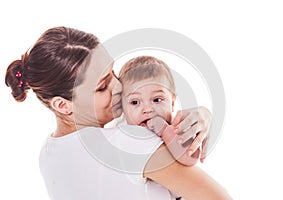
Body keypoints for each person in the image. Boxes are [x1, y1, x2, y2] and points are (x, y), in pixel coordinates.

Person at [5, 26, 231, 199]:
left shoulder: (48, 154)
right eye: (102, 86)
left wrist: (201, 113)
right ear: (63, 105)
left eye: (112, 72)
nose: (118, 86)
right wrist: (202, 115)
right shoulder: (129, 143)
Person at [118, 55, 201, 166]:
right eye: (135, 102)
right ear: (122, 108)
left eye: (157, 100)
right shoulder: (122, 134)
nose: (147, 109)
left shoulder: (179, 127)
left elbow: (191, 158)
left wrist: (165, 130)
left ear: (172, 103)